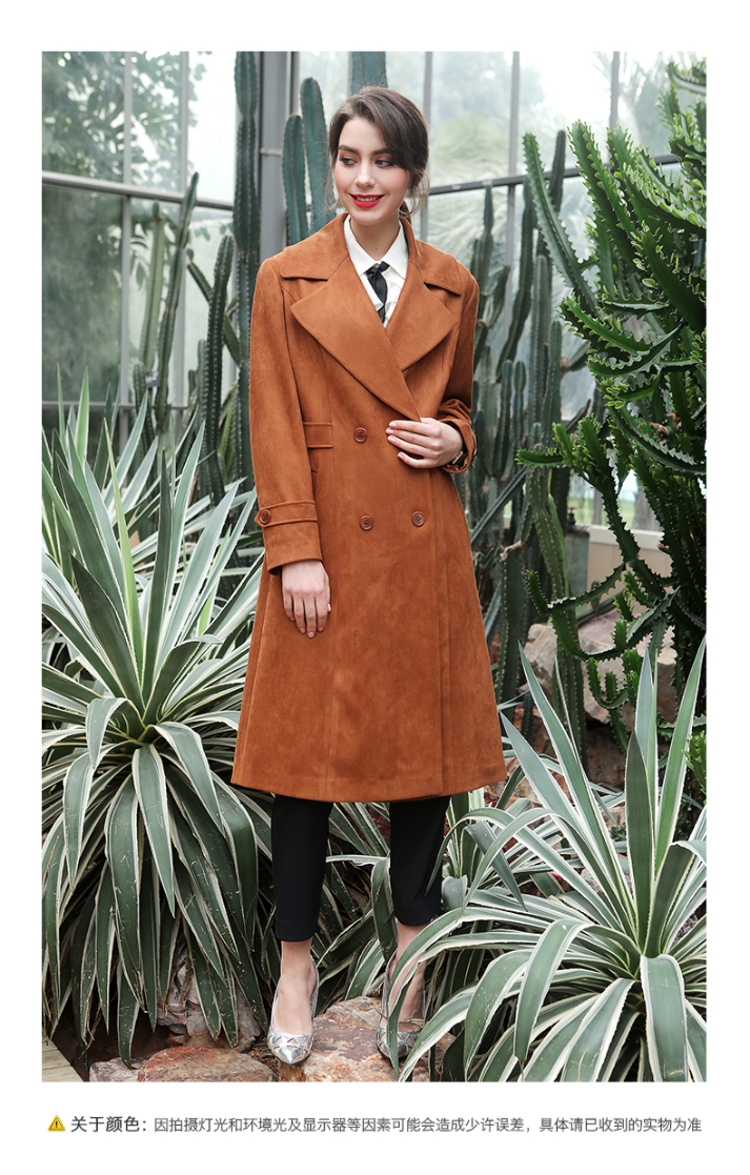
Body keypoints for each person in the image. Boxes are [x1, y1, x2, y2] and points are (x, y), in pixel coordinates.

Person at [232, 86, 506, 1067]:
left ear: (413, 175)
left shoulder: (452, 286)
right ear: (332, 166)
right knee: (303, 767)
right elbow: (272, 420)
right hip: (325, 556)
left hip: (418, 549)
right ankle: (295, 966)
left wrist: (455, 439)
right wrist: (296, 546)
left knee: (420, 769)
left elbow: (461, 402)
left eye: (382, 161)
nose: (362, 177)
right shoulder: (285, 279)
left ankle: (410, 960)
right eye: (348, 157)